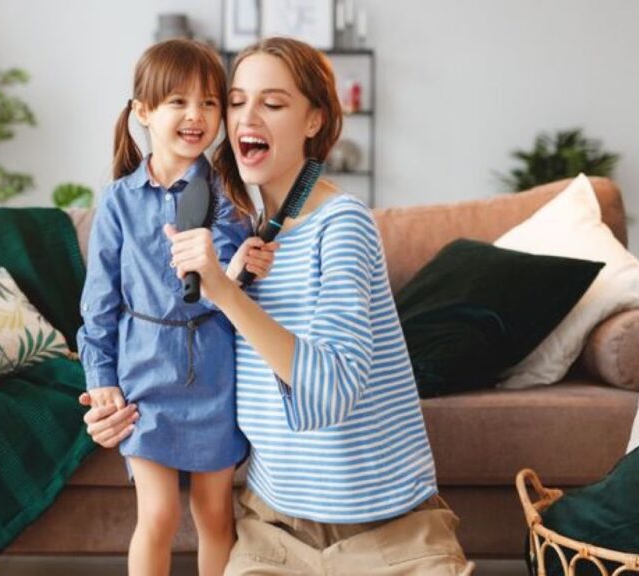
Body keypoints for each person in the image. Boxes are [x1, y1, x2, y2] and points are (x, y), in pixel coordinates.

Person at [84, 37, 474, 575]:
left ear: (314, 119)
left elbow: (328, 392)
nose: (244, 117)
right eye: (238, 100)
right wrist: (109, 402)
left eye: (272, 103)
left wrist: (222, 290)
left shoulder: (343, 223)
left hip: (381, 528)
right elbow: (132, 324)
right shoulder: (244, 221)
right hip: (273, 528)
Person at [76, 38, 277, 576]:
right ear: (143, 111)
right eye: (178, 102)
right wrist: (102, 379)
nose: (197, 116)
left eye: (210, 103)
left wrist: (241, 269)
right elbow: (99, 305)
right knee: (159, 514)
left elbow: (233, 287)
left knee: (215, 514)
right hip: (144, 375)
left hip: (213, 376)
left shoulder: (230, 199)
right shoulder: (118, 201)